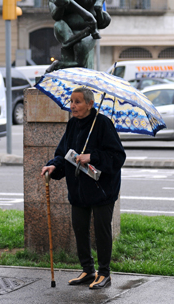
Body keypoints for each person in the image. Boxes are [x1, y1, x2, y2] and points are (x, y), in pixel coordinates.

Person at [41, 87, 126, 290]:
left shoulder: (103, 123)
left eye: (78, 102)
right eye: (71, 101)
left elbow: (117, 156)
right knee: (79, 228)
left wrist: (92, 156)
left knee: (101, 231)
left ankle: (104, 273)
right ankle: (88, 270)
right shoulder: (72, 124)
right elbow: (64, 153)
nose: (73, 106)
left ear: (90, 104)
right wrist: (54, 166)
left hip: (102, 189)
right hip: (79, 189)